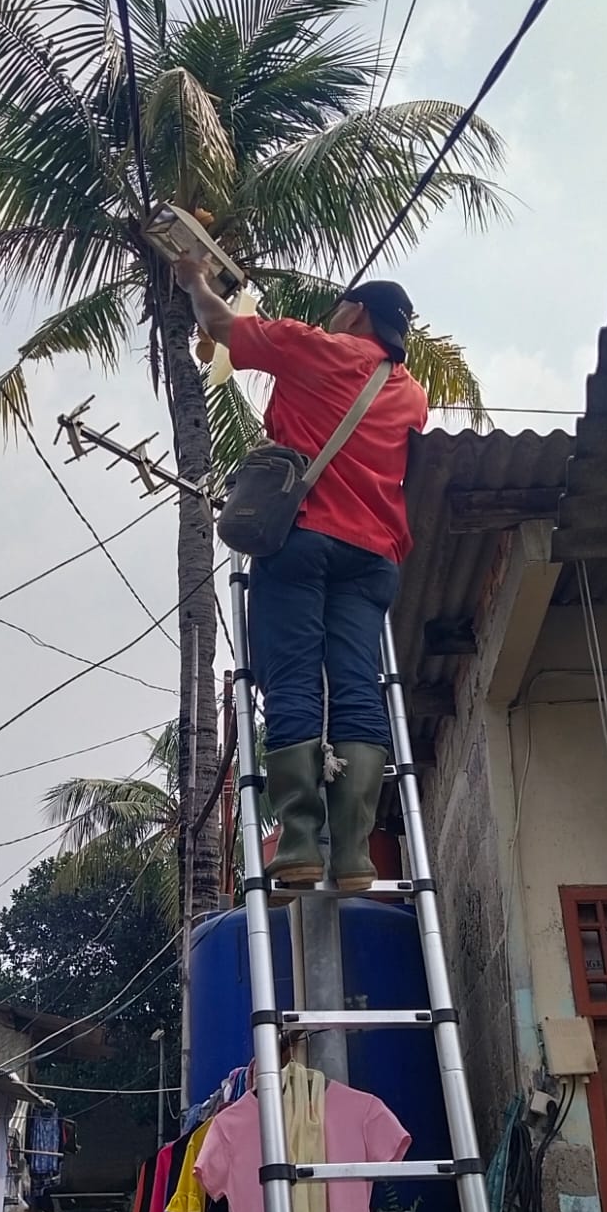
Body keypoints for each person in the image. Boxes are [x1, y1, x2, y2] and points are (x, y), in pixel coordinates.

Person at [175, 256, 428, 892]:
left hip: (306, 540)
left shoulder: (318, 348)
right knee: (355, 689)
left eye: (343, 304)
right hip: (373, 558)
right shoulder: (411, 393)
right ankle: (352, 855)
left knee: (292, 682)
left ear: (359, 311)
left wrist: (194, 281)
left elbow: (220, 325)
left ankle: (297, 843)